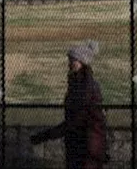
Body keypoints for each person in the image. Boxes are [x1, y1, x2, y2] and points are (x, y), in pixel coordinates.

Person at [30, 40, 110, 168]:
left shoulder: (85, 86)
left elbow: (77, 119)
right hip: (81, 143)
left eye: (73, 60)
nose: (69, 63)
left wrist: (47, 135)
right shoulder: (78, 83)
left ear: (81, 62)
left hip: (87, 144)